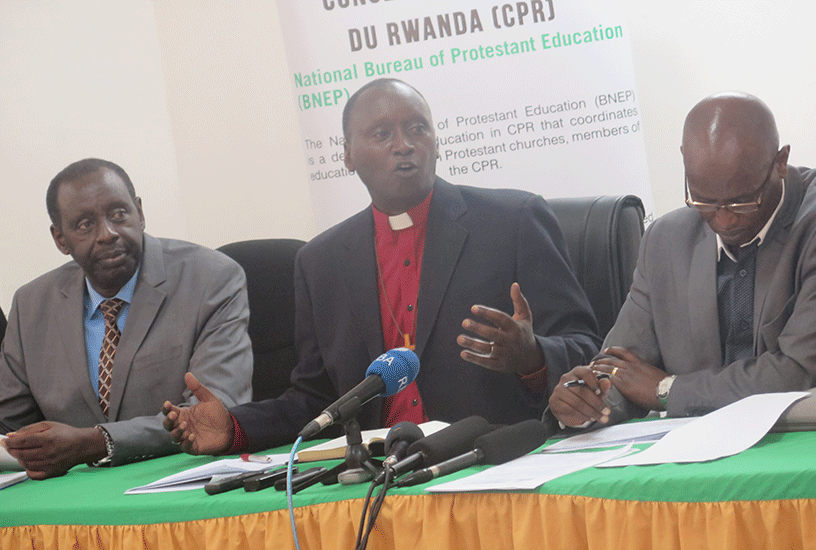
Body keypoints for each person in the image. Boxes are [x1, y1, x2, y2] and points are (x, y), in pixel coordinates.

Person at [163, 78, 600, 454]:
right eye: (382, 134)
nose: (404, 145)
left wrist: (534, 357)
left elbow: (586, 346)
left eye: (417, 129)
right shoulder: (320, 261)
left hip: (491, 457)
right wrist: (236, 427)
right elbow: (317, 398)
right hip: (376, 473)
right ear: (348, 154)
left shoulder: (514, 220)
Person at [548, 92, 816, 429]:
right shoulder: (666, 239)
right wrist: (586, 400)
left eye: (741, 202)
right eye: (704, 201)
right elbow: (623, 367)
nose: (723, 221)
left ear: (781, 162)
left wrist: (667, 389)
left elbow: (802, 370)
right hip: (697, 450)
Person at [0, 158, 253, 479]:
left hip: (183, 481)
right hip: (73, 501)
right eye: (84, 224)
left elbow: (215, 413)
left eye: (119, 214)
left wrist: (94, 442)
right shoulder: (31, 304)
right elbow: (10, 426)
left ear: (140, 213)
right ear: (60, 239)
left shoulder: (212, 278)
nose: (107, 234)